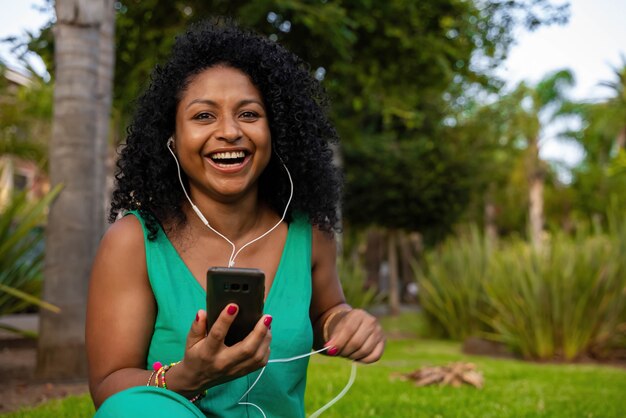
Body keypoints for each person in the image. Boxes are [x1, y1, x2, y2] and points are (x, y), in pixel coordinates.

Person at [86, 20, 385, 418]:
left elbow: (327, 313)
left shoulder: (309, 233)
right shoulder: (135, 240)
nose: (229, 132)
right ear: (171, 138)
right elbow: (110, 389)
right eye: (204, 116)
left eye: (248, 113)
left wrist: (345, 323)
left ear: (275, 130)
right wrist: (188, 376)